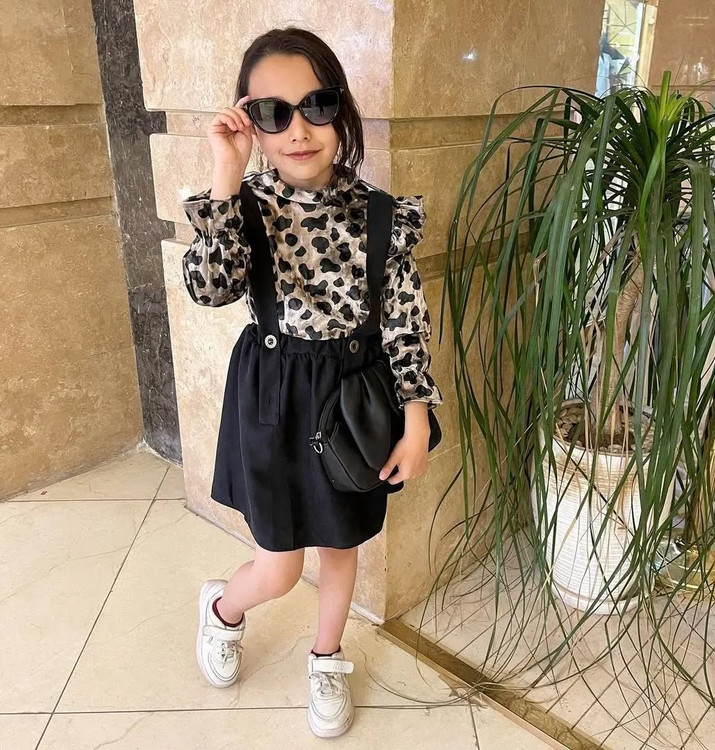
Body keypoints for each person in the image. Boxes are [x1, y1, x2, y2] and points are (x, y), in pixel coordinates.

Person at [180, 27, 442, 739]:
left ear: (341, 110)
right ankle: (223, 609)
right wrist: (226, 173)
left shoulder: (381, 215)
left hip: (352, 401)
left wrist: (416, 419)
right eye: (272, 113)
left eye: (316, 106)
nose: (297, 130)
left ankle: (327, 659)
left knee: (340, 544)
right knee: (279, 566)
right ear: (251, 124)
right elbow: (209, 287)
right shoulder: (245, 207)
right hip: (272, 399)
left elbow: (406, 322)